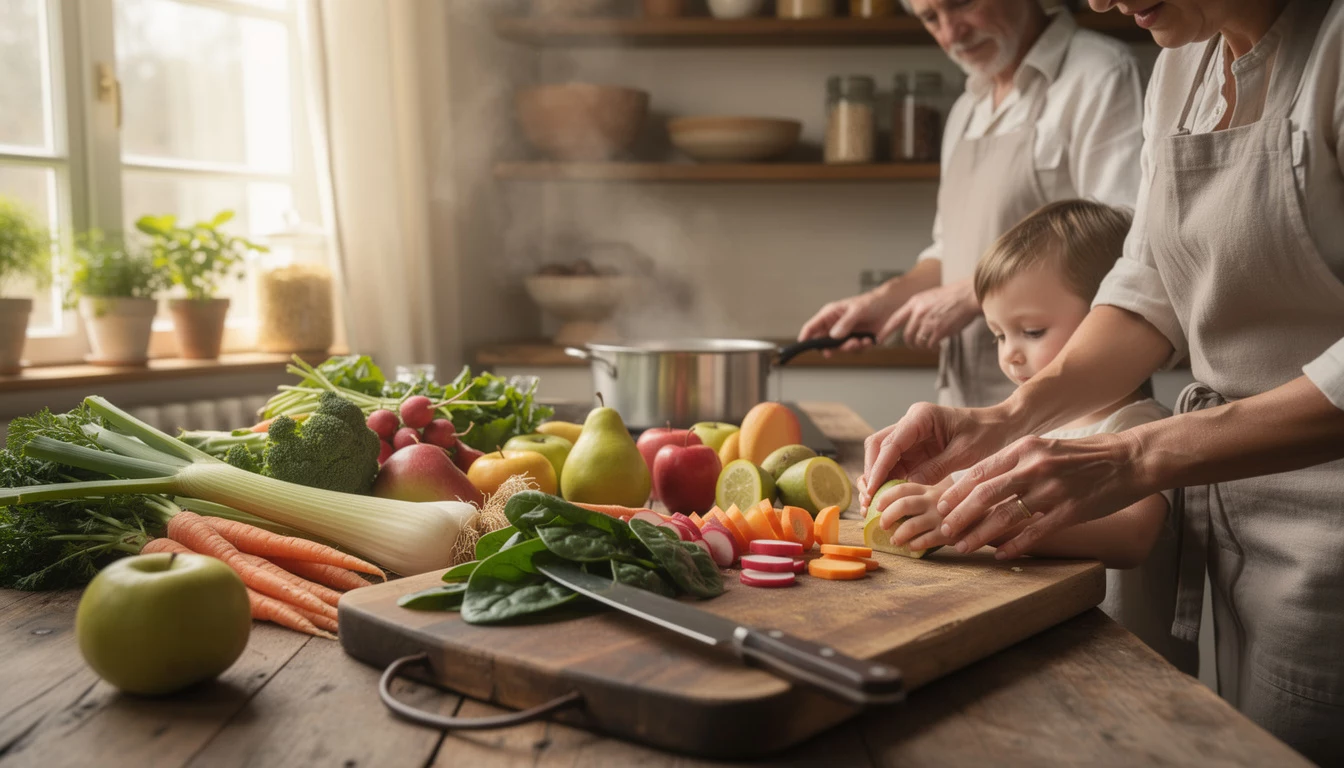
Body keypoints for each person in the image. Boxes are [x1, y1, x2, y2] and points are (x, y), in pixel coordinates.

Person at [861, 0, 1344, 761]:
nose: (1098, 4)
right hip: (1240, 537)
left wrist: (1134, 456)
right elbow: (1148, 281)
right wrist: (1005, 419)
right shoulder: (1183, 66)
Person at [871, 200, 1197, 673]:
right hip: (1057, 657)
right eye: (999, 335)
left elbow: (1133, 536)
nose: (1011, 357)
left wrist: (976, 524)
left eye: (1031, 330)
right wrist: (936, 496)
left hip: (1130, 667)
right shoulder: (1037, 429)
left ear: (1109, 323)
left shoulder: (1141, 426)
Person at [797, 0, 1144, 408]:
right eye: (930, 18)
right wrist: (883, 301)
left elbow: (1125, 239)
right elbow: (950, 253)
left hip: (1071, 403)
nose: (949, 33)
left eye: (960, 4)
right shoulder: (965, 110)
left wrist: (974, 294)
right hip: (966, 396)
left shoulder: (1098, 74)